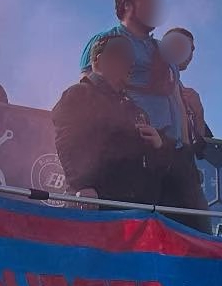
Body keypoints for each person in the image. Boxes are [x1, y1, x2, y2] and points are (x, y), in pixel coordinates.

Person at [79, 0, 210, 232]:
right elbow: (89, 95)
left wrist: (185, 150)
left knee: (195, 234)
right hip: (136, 156)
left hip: (175, 158)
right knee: (135, 233)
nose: (157, 2)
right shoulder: (106, 41)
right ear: (127, 5)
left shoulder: (163, 50)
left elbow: (175, 100)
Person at [53, 35, 165, 205]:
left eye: (131, 57)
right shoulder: (79, 94)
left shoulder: (135, 110)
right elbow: (67, 142)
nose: (130, 62)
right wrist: (83, 186)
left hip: (132, 207)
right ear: (98, 61)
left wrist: (157, 147)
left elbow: (150, 165)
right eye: (121, 54)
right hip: (94, 202)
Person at [161, 27, 212, 154]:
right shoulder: (147, 81)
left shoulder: (185, 94)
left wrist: (199, 113)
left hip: (182, 166)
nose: (190, 54)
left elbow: (201, 150)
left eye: (192, 49)